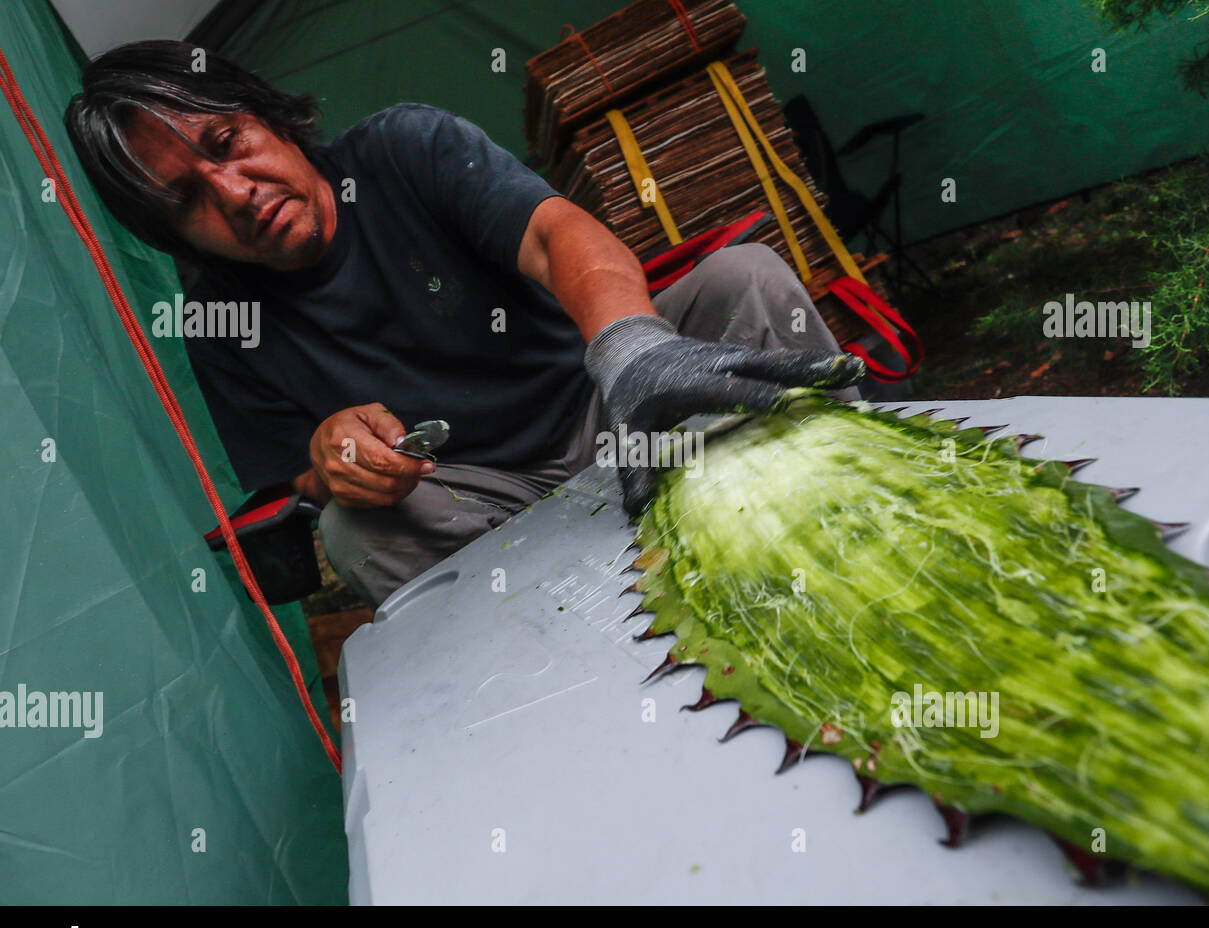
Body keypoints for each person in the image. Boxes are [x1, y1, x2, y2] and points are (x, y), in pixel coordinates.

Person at [65, 40, 873, 610]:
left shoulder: (401, 150)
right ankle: (554, 663)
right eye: (187, 200)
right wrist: (329, 460)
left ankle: (857, 522)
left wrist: (630, 350)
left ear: (268, 117)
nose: (233, 191)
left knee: (746, 277)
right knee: (355, 531)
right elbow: (296, 484)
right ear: (173, 238)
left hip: (606, 398)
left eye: (226, 142)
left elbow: (562, 238)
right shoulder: (219, 321)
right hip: (490, 500)